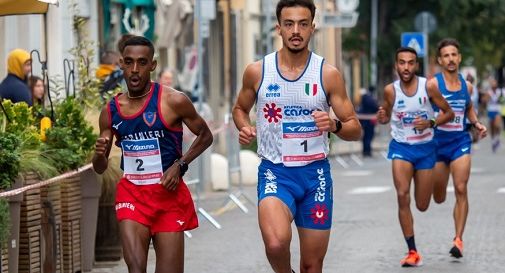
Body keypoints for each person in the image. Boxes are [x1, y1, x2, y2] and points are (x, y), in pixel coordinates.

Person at [232, 1, 362, 272]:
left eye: (303, 24)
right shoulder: (258, 71)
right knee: (276, 244)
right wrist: (243, 126)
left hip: (315, 176)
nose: (296, 30)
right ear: (278, 28)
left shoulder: (327, 74)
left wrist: (334, 125)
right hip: (275, 172)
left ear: (312, 28)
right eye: (289, 24)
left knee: (312, 265)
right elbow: (239, 109)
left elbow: (354, 127)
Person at [92, 35, 213, 273]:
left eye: (142, 62)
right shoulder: (111, 110)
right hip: (132, 195)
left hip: (167, 196)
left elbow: (205, 135)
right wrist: (98, 155)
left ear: (153, 65)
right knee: (136, 267)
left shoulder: (173, 100)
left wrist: (180, 165)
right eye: (128, 62)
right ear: (121, 64)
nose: (135, 70)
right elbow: (100, 167)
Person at [376, 47, 454, 267]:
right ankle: (412, 251)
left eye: (410, 63)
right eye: (402, 62)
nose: (406, 67)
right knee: (402, 195)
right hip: (401, 146)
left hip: (426, 148)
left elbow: (448, 113)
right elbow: (386, 116)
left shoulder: (428, 86)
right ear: (396, 65)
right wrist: (382, 117)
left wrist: (430, 123)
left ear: (416, 66)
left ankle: (438, 183)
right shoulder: (390, 91)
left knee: (421, 204)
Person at [429, 38, 487, 259]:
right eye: (446, 55)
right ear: (440, 60)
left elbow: (469, 107)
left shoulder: (467, 86)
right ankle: (440, 195)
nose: (451, 59)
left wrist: (476, 123)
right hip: (437, 144)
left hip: (460, 142)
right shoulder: (433, 85)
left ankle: (458, 240)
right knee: (439, 196)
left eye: (454, 54)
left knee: (461, 188)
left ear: (459, 58)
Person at [482, 78, 503, 152]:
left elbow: (502, 100)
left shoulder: (500, 91)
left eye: (495, 83)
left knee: (497, 125)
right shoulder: (488, 92)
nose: (494, 84)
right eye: (492, 83)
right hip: (490, 110)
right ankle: (493, 141)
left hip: (498, 110)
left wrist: (501, 99)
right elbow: (483, 100)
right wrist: (486, 98)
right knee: (492, 126)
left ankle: (497, 138)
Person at [357, 86, 379, 157]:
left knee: (365, 137)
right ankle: (368, 151)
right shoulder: (371, 99)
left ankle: (365, 151)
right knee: (369, 136)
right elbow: (375, 107)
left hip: (364, 120)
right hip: (369, 121)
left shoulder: (365, 98)